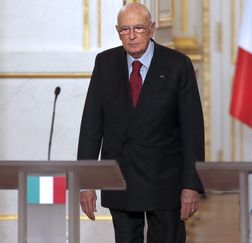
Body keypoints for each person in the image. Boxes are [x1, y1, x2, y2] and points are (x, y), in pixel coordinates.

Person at [77, 3, 204, 243]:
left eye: (138, 28)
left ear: (152, 29)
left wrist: (191, 185)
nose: (132, 35)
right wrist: (86, 182)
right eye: (125, 30)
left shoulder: (178, 65)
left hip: (166, 183)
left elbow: (192, 131)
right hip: (120, 178)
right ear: (117, 31)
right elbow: (91, 126)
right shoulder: (105, 63)